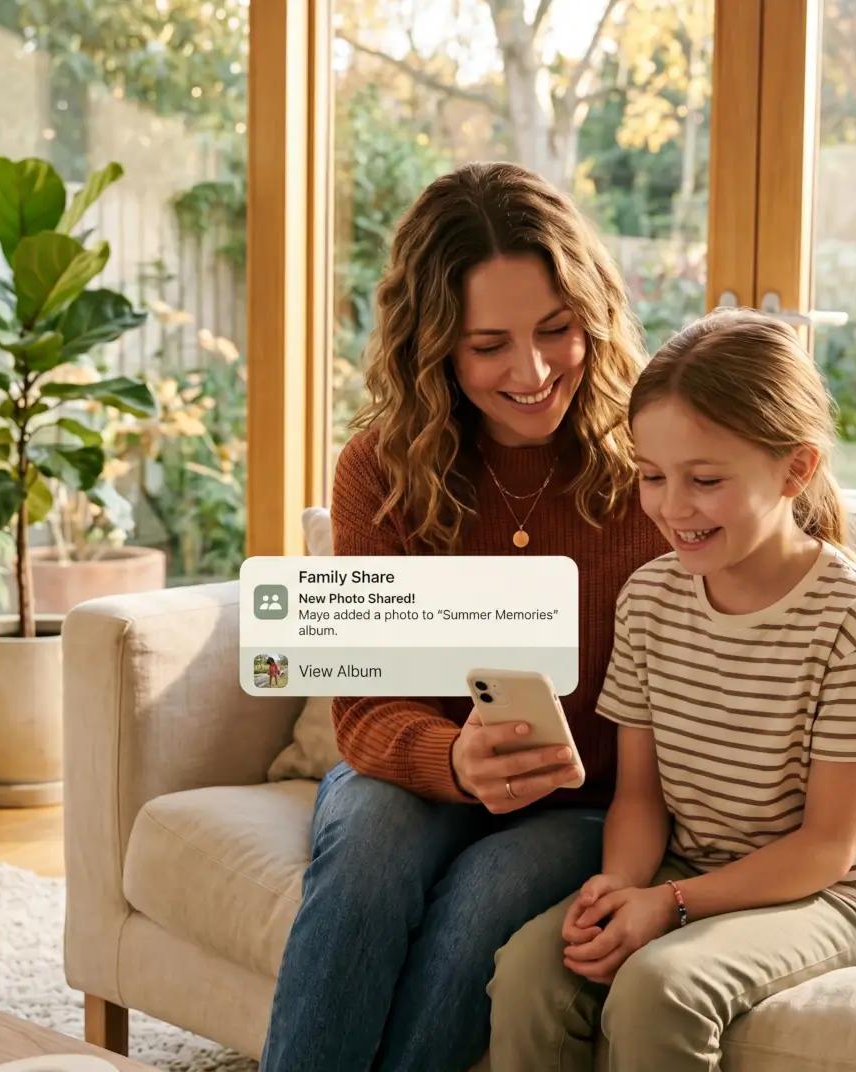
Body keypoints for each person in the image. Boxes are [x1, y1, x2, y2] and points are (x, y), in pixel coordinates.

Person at [259, 162, 667, 1072]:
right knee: (368, 840)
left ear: (591, 316)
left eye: (557, 331)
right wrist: (451, 759)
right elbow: (365, 709)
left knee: (491, 888)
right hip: (418, 780)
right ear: (433, 344)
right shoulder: (381, 469)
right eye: (490, 346)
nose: (532, 372)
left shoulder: (657, 461)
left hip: (584, 804)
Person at [487, 309, 856, 1071]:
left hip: (834, 895)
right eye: (652, 477)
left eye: (706, 480)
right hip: (683, 869)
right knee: (530, 967)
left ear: (795, 469)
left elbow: (826, 848)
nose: (672, 507)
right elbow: (641, 798)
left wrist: (671, 905)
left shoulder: (855, 624)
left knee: (661, 989)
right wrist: (617, 892)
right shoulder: (651, 599)